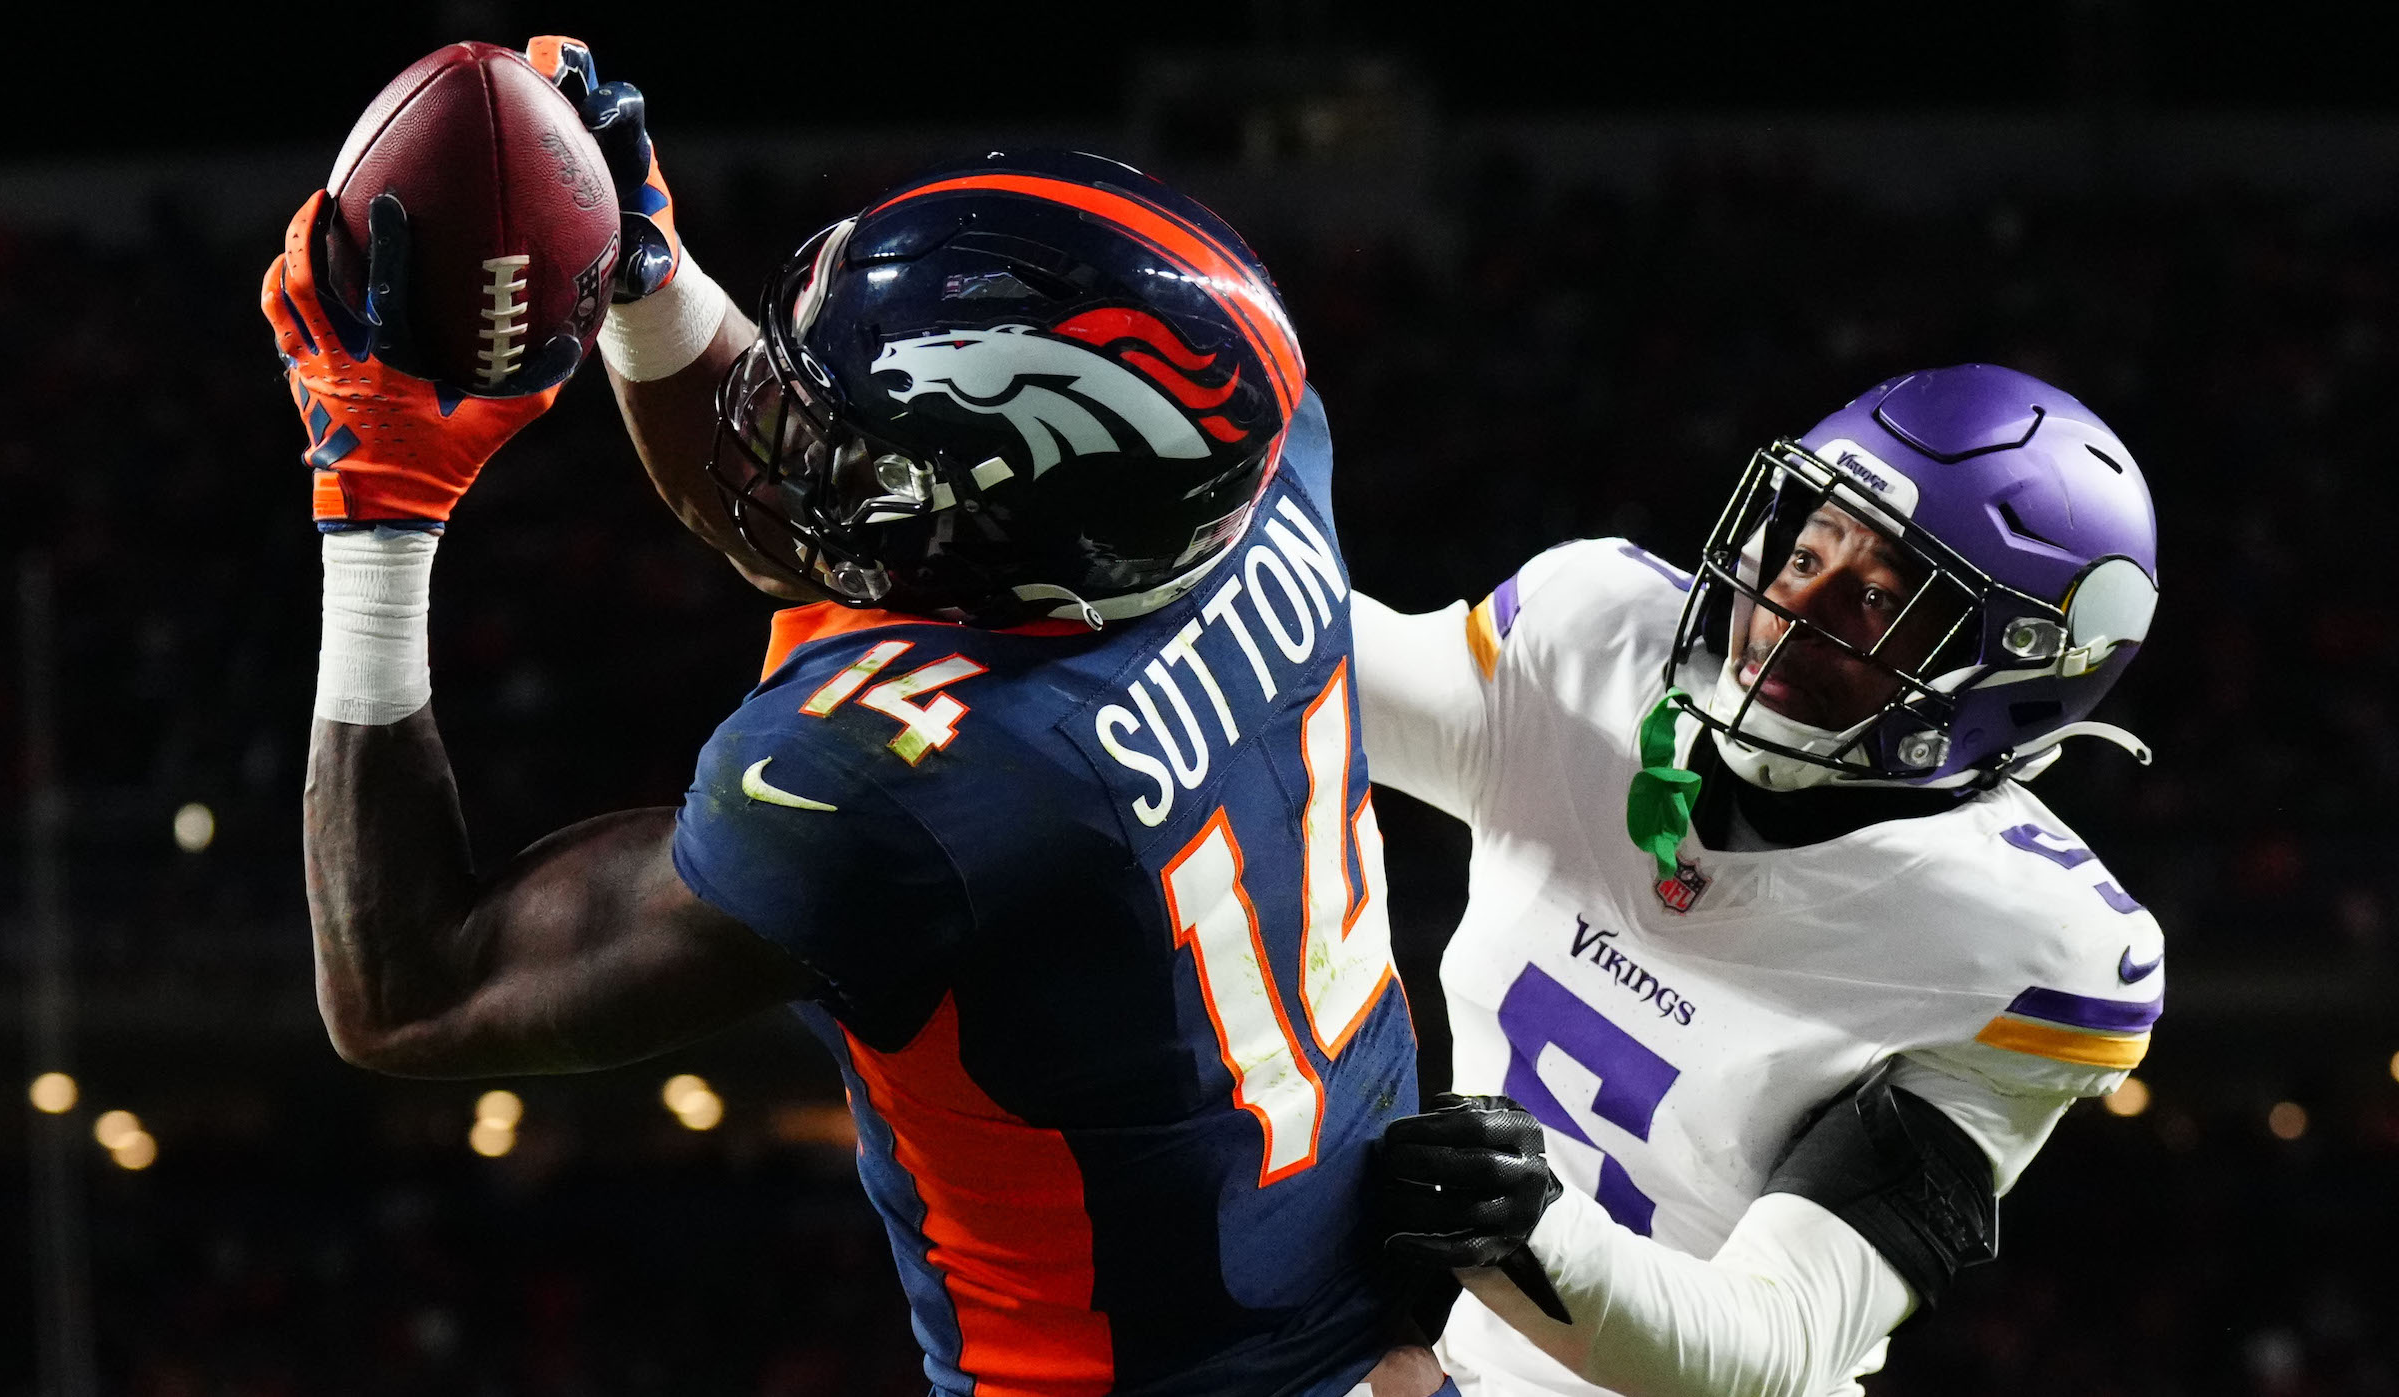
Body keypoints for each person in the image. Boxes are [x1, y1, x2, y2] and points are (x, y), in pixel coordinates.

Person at [264, 36, 1447, 1396]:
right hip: (1365, 1320)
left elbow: (414, 989)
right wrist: (645, 275)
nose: (789, 423)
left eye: (848, 433)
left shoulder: (924, 780)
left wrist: (381, 514)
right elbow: (850, 525)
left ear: (995, 529)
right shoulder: (1256, 449)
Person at [1352, 365, 2163, 1397]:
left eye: (1875, 597)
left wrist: (1526, 1227)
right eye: (1807, 547)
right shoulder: (1598, 642)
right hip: (1445, 1358)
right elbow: (1290, 666)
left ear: (2012, 678)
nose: (1792, 606)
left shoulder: (2019, 944)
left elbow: (1766, 1349)